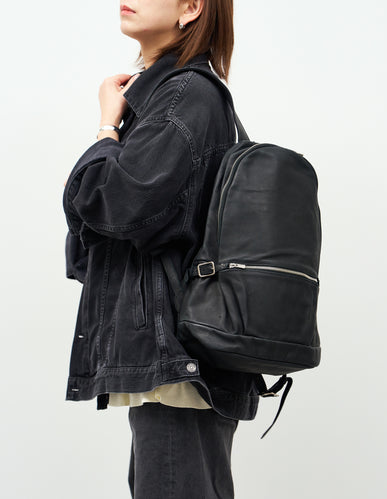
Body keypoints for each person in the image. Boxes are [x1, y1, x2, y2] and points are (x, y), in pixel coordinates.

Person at [63, 1, 262, 497]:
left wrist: (107, 128)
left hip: (176, 359)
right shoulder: (175, 95)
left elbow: (115, 207)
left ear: (191, 8)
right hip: (179, 359)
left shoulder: (186, 93)